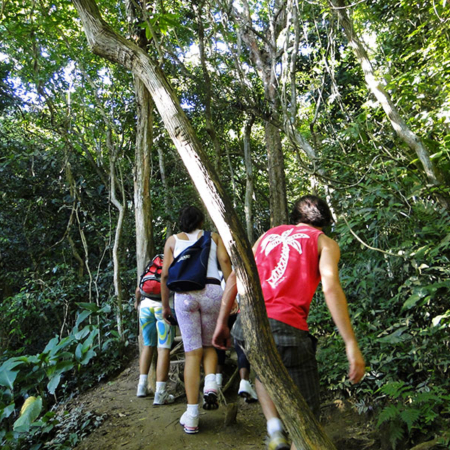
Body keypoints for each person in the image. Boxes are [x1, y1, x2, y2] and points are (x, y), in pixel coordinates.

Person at [212, 195, 365, 450]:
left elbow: (235, 278)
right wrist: (350, 343)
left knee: (262, 368)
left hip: (246, 325)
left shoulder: (267, 236)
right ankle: (290, 439)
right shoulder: (324, 243)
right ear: (325, 220)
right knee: (307, 420)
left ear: (295, 217)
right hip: (287, 329)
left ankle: (274, 429)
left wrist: (222, 323)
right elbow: (331, 289)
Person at [160, 205, 232, 434]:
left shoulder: (172, 241)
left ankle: (191, 416)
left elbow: (164, 275)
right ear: (201, 222)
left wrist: (165, 306)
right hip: (212, 292)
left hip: (185, 296)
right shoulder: (214, 237)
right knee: (210, 344)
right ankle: (211, 382)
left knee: (192, 352)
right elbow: (226, 264)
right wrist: (232, 293)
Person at [135, 287, 176, 405]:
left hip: (145, 307)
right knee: (164, 349)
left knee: (147, 345)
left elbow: (138, 290)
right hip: (165, 308)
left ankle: (141, 387)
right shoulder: (170, 269)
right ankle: (160, 392)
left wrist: (137, 303)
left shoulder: (150, 268)